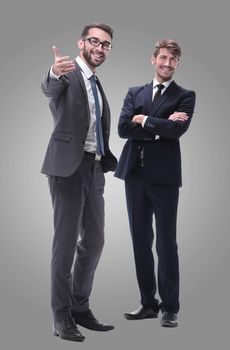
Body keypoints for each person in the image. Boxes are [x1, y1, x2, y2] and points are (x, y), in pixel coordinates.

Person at [41, 23, 117, 342]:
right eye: (94, 41)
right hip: (67, 169)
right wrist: (53, 72)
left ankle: (79, 307)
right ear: (81, 43)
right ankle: (61, 318)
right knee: (66, 242)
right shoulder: (68, 74)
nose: (99, 48)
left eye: (106, 45)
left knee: (95, 239)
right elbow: (49, 88)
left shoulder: (96, 83)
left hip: (94, 168)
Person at [115, 39, 196, 328]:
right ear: (153, 59)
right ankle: (148, 303)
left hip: (164, 179)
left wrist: (145, 119)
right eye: (163, 58)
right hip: (134, 176)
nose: (167, 63)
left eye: (173, 59)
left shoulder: (185, 95)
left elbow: (177, 130)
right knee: (140, 241)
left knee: (165, 243)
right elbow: (124, 128)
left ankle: (170, 307)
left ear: (177, 63)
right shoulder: (134, 91)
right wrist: (158, 125)